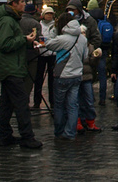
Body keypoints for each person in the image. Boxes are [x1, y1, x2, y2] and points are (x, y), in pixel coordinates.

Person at [0, 0, 42, 149]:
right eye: (21, 2)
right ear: (14, 4)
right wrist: (23, 39)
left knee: (7, 104)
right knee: (21, 103)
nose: (24, 4)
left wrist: (27, 42)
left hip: (10, 67)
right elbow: (4, 44)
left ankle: (5, 135)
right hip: (11, 68)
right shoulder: (7, 21)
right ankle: (27, 137)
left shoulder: (11, 19)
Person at [45, 11, 89, 140]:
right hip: (76, 75)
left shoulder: (62, 39)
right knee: (73, 105)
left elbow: (48, 44)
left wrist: (54, 30)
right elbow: (85, 56)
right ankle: (70, 132)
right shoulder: (83, 39)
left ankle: (59, 131)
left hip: (63, 75)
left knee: (59, 105)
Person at [66, 0, 102, 131]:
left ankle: (90, 120)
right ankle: (78, 121)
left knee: (88, 96)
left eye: (73, 10)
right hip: (72, 66)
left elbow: (97, 38)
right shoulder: (66, 20)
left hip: (86, 65)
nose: (71, 12)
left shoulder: (89, 21)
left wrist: (89, 49)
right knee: (75, 98)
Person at [87, 0, 111, 106]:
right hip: (104, 49)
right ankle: (102, 98)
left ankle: (90, 98)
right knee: (102, 75)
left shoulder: (88, 18)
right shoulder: (104, 16)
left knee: (89, 75)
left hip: (92, 49)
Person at [34, 5, 58, 109]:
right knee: (39, 78)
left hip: (52, 54)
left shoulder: (56, 25)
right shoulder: (39, 25)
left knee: (52, 79)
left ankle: (52, 101)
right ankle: (37, 101)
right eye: (47, 14)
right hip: (42, 53)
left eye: (51, 14)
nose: (49, 16)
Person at [20, 2, 41, 104]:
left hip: (19, 53)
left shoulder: (18, 21)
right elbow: (38, 39)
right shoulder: (36, 23)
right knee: (29, 80)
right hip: (32, 54)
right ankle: (25, 101)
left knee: (20, 79)